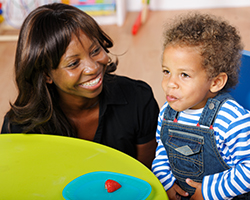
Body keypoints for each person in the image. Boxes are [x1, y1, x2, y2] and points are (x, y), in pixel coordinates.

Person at [0, 3, 159, 169]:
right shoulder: (19, 127)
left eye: (95, 50)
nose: (93, 67)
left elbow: (147, 177)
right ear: (46, 74)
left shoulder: (138, 99)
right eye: (74, 63)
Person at [152, 13, 250, 200]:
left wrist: (208, 193)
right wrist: (166, 181)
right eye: (167, 71)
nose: (170, 83)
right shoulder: (167, 112)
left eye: (184, 75)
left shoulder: (232, 121)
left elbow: (248, 168)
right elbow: (163, 150)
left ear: (215, 82)